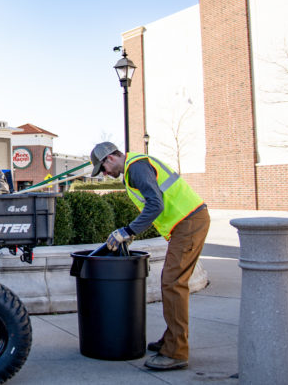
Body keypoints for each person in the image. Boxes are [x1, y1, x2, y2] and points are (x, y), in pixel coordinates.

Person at [89, 141, 210, 371]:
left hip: (189, 222)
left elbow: (155, 204)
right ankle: (171, 338)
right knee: (173, 283)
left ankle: (176, 352)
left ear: (111, 158)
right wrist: (132, 232)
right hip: (189, 222)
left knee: (173, 284)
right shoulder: (136, 166)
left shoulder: (135, 168)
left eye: (103, 168)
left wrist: (128, 230)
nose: (104, 174)